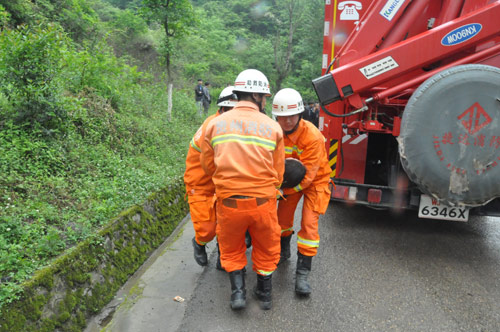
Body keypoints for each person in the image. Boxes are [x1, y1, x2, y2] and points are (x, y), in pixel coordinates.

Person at [201, 69, 284, 311]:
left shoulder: (214, 125)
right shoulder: (273, 128)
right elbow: (278, 174)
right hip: (263, 203)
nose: (266, 101)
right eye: (265, 97)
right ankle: (265, 295)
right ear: (258, 96)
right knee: (266, 247)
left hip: (229, 202)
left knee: (231, 247)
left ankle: (238, 294)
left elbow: (208, 166)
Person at [272, 88, 332, 296]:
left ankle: (302, 274)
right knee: (281, 220)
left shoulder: (312, 136)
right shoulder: (274, 132)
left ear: (299, 114)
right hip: (290, 180)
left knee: (308, 224)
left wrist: (286, 190)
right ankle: (283, 251)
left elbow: (308, 176)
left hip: (315, 181)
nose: (287, 122)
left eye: (292, 117)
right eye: (282, 117)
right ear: (276, 116)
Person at [184, 86, 238, 269]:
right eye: (228, 110)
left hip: (222, 184)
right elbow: (213, 163)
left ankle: (223, 256)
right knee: (207, 230)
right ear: (221, 109)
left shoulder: (236, 126)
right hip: (200, 184)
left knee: (228, 223)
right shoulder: (211, 126)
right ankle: (199, 242)